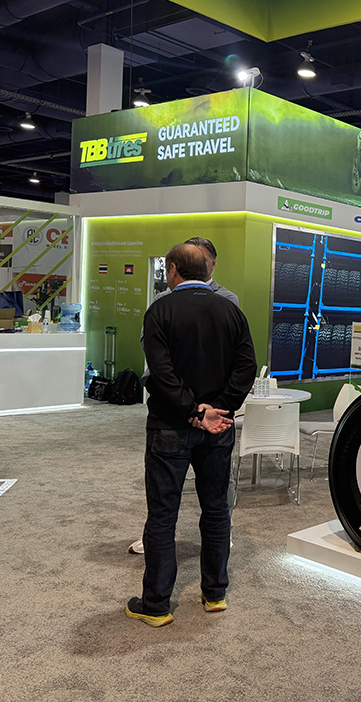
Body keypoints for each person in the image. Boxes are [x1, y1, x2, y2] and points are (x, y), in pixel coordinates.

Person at [125, 244, 256, 627]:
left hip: (170, 426)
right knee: (216, 510)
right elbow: (246, 367)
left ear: (172, 270)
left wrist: (195, 411)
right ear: (207, 270)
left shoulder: (160, 310)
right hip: (219, 428)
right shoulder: (231, 311)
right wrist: (219, 409)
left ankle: (156, 605)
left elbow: (161, 372)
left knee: (163, 515)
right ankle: (215, 594)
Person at [129, 235, 238, 556]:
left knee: (214, 499)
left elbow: (235, 358)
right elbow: (151, 350)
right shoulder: (162, 302)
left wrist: (214, 408)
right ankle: (163, 548)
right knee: (164, 500)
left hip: (211, 413)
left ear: (211, 265)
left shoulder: (227, 301)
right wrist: (193, 407)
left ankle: (220, 542)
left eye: (199, 260)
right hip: (172, 410)